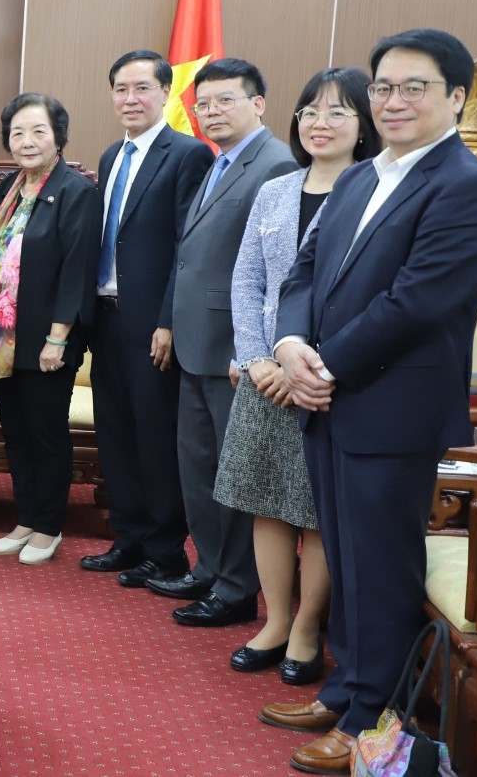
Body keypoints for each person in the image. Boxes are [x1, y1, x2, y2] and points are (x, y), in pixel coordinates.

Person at [264, 29, 477, 774]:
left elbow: (417, 303)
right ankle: (347, 689)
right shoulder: (362, 177)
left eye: (413, 88)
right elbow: (306, 270)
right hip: (329, 396)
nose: (393, 101)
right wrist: (291, 344)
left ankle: (376, 716)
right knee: (345, 556)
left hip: (392, 406)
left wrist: (323, 366)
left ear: (456, 97)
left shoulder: (467, 185)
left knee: (381, 564)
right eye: (383, 88)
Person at [214, 67, 380, 684]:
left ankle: (309, 629)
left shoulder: (373, 192)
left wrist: (306, 363)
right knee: (267, 504)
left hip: (325, 380)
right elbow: (247, 280)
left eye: (337, 111)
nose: (320, 123)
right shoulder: (276, 190)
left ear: (364, 123)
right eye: (310, 110)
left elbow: (366, 296)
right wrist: (258, 358)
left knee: (316, 512)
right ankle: (276, 621)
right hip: (263, 377)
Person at [155, 58, 298, 627]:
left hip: (238, 352)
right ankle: (209, 567)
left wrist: (252, 348)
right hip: (198, 340)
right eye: (203, 104)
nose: (211, 112)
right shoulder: (219, 161)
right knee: (198, 466)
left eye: (225, 100)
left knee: (236, 475)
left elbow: (276, 271)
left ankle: (237, 588)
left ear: (257, 103)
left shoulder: (276, 164)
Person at [79, 50, 213, 584]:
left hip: (153, 324)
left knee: (155, 438)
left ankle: (165, 550)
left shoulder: (188, 154)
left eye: (141, 88)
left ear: (165, 93)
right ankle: (129, 538)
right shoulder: (113, 154)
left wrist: (169, 321)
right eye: (121, 89)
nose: (130, 99)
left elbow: (187, 245)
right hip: (106, 316)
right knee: (116, 435)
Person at [0, 94, 100, 565]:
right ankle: (26, 518)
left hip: (48, 339)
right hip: (3, 339)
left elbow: (76, 270)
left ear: (58, 137)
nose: (26, 141)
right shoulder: (11, 187)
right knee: (16, 433)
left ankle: (49, 526)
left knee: (46, 434)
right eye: (17, 133)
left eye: (38, 131)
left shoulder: (75, 190)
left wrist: (58, 338)